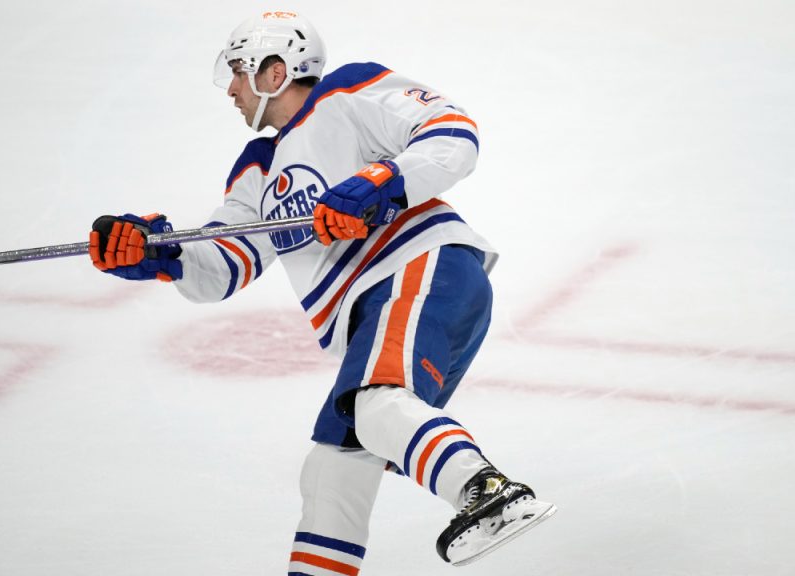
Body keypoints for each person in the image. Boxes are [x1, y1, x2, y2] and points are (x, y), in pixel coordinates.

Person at [87, 11, 556, 570]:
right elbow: (225, 261)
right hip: (376, 309)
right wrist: (160, 253)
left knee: (376, 406)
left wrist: (381, 182)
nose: (232, 88)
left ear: (277, 70)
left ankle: (487, 492)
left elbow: (453, 132)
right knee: (333, 466)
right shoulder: (259, 168)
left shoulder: (345, 92)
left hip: (419, 270)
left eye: (240, 70)